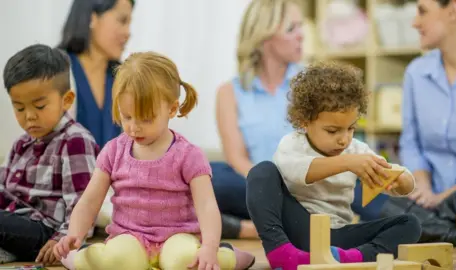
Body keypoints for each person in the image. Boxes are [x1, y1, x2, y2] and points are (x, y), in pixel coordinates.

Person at [53, 52, 255, 270]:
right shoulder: (113, 151)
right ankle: (79, 257)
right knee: (116, 262)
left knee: (185, 262)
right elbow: (89, 201)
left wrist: (209, 246)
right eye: (127, 116)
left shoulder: (188, 155)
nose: (134, 127)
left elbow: (206, 205)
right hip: (129, 237)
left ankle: (227, 255)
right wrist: (75, 234)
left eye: (146, 118)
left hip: (178, 237)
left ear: (171, 109)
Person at [246, 63, 422, 270]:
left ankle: (352, 259)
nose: (344, 139)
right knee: (261, 172)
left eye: (351, 129)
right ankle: (282, 254)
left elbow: (403, 182)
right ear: (304, 122)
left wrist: (401, 180)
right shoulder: (292, 143)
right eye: (332, 131)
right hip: (299, 231)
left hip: (338, 236)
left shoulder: (357, 150)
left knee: (410, 224)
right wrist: (347, 163)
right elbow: (297, 172)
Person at [351, 0, 456, 247]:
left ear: (452, 11)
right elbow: (410, 142)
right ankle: (453, 233)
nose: (414, 22)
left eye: (422, 11)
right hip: (423, 197)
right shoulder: (416, 73)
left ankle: (421, 226)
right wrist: (423, 188)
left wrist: (442, 196)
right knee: (354, 188)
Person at [0, 44, 99, 264]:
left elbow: (83, 204)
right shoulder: (21, 143)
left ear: (66, 100)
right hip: (12, 222)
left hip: (45, 230)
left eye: (40, 106)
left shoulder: (75, 141)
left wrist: (63, 238)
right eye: (19, 108)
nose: (29, 117)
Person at [213, 0, 303, 239]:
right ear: (265, 38)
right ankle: (266, 226)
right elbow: (236, 158)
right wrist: (274, 188)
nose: (301, 35)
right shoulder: (229, 92)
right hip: (258, 188)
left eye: (301, 27)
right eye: (292, 28)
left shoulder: (311, 84)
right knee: (211, 178)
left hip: (307, 187)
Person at [58, 0, 134, 149]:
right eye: (122, 20)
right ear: (92, 17)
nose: (128, 33)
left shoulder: (122, 79)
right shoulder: (56, 71)